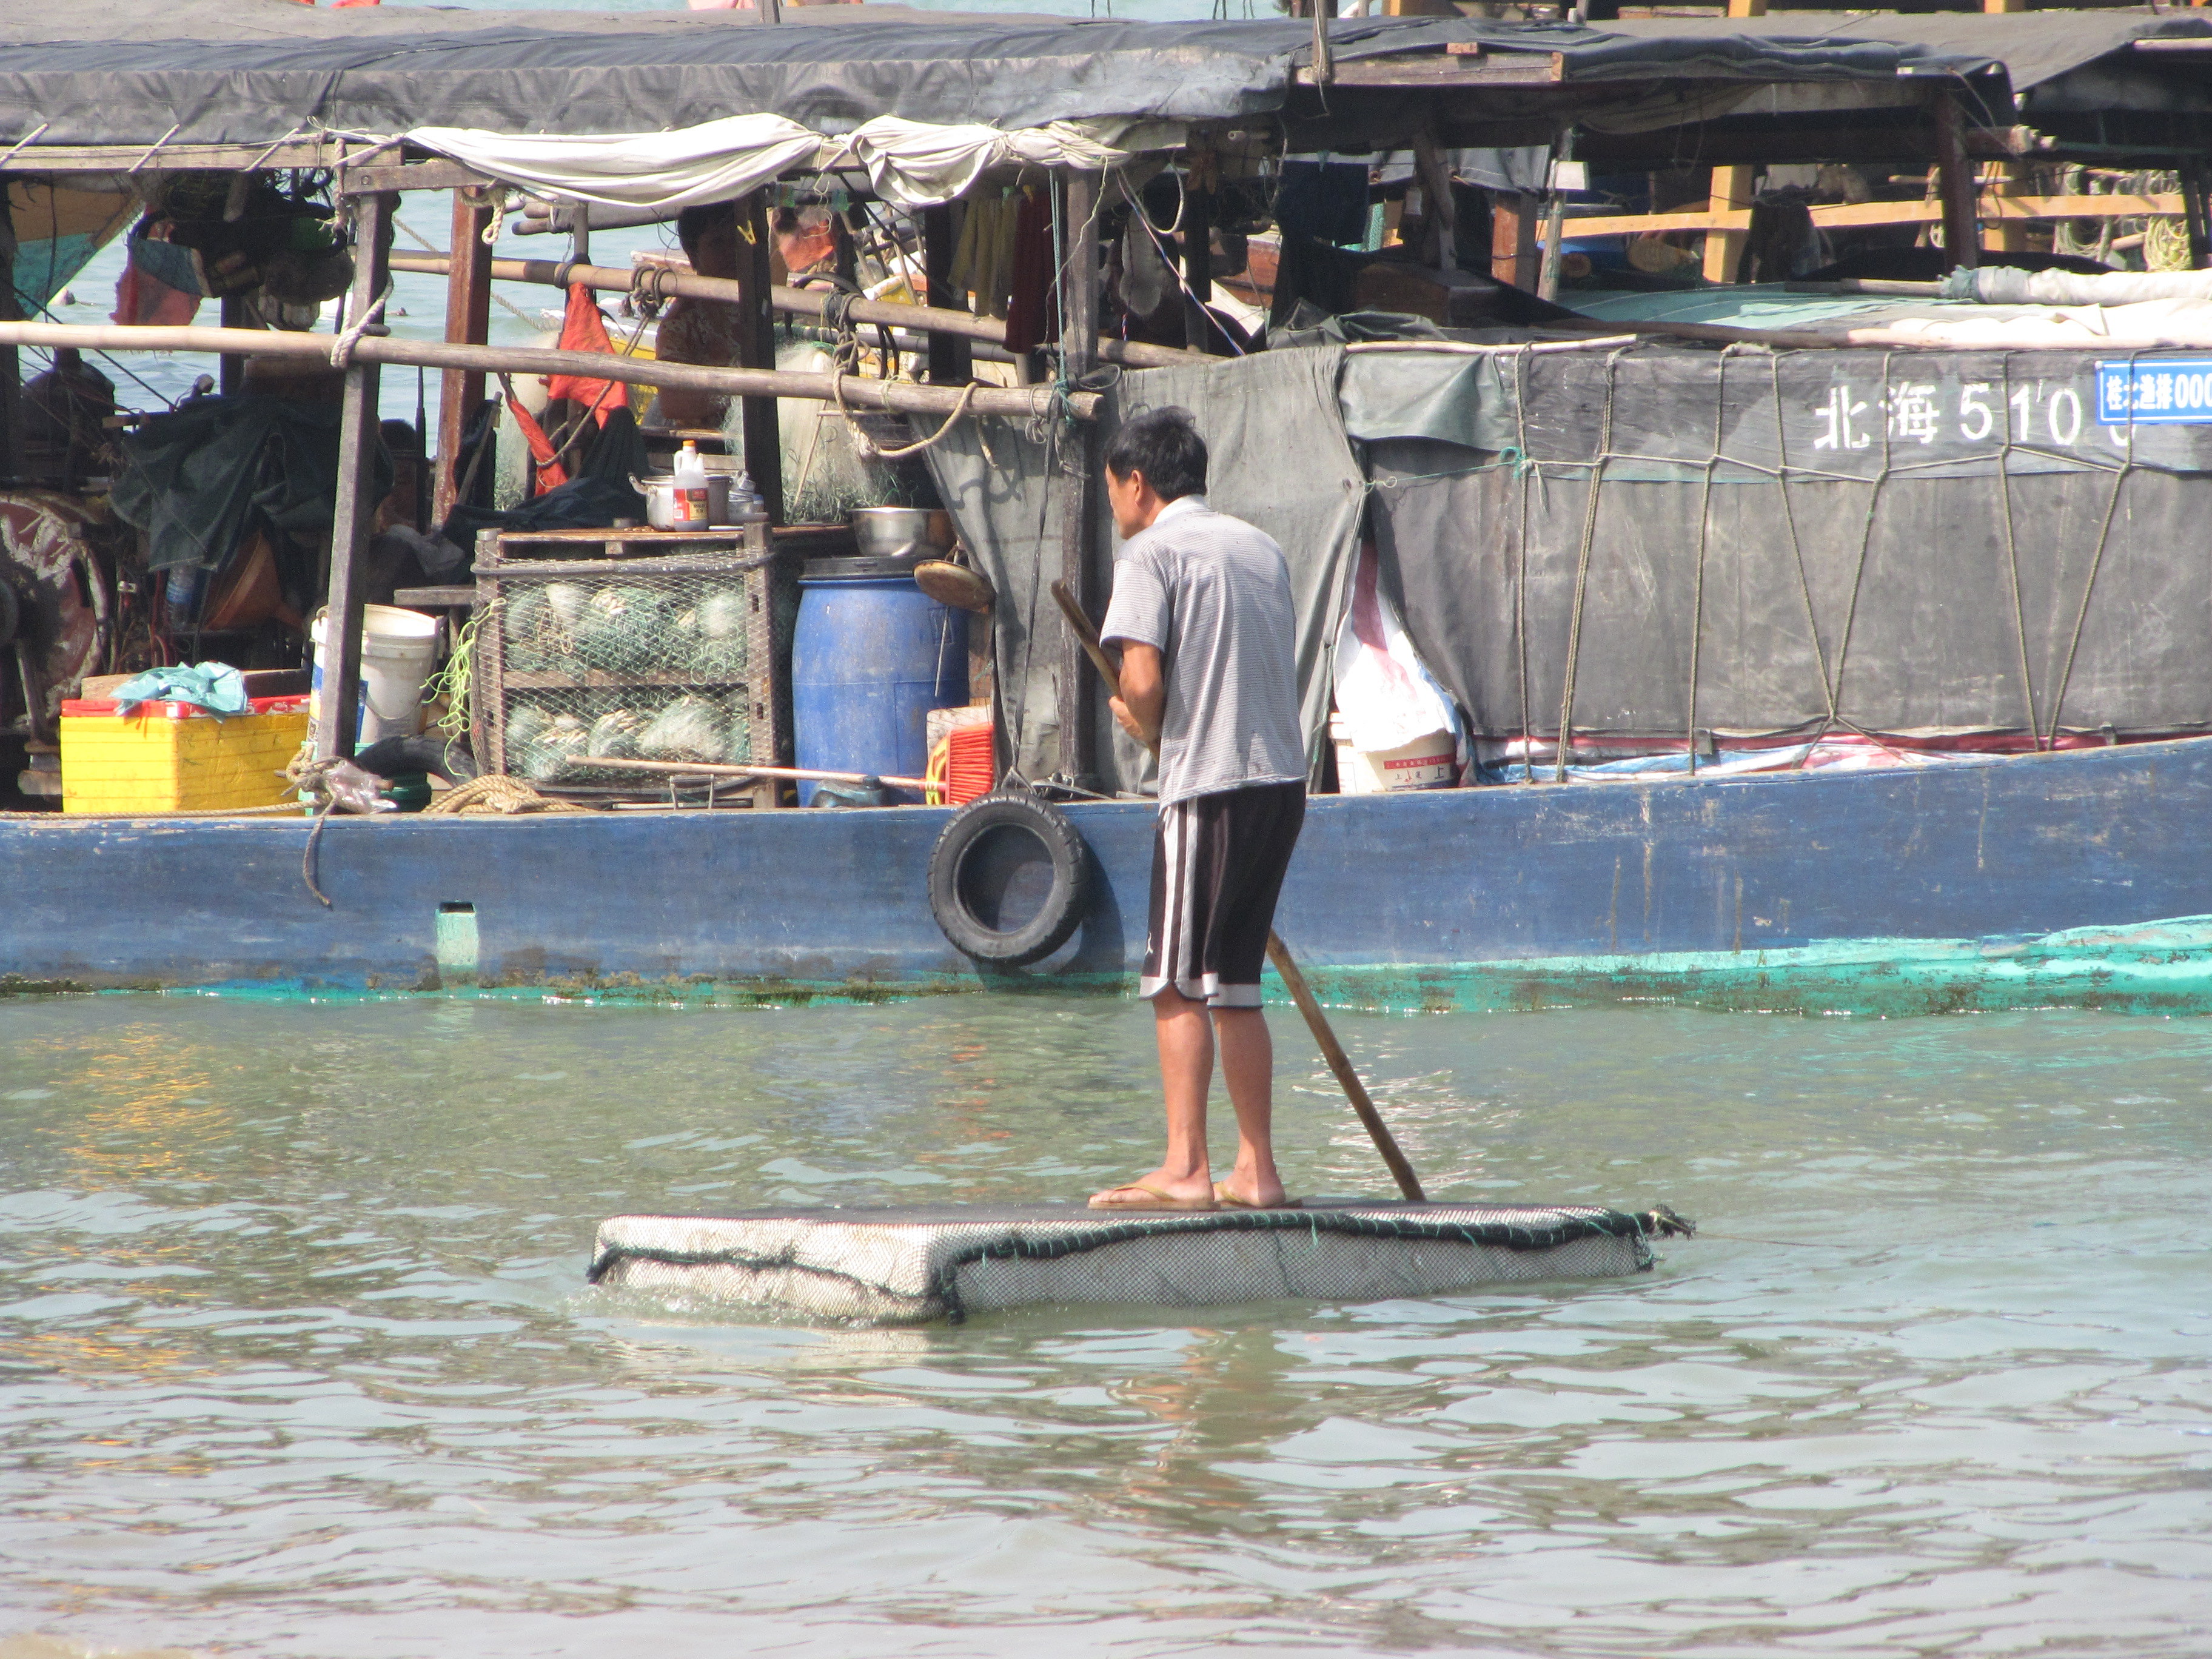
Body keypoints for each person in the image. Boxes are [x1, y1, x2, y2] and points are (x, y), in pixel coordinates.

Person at [1088, 407, 1309, 1213]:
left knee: (1176, 984)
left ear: (1137, 483)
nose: (1111, 504)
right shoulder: (1262, 547)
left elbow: (1142, 683)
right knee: (1235, 984)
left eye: (1112, 488)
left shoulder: (1150, 553)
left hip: (1207, 786)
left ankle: (1186, 1168)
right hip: (1280, 788)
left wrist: (1141, 721)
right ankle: (1258, 1172)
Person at [652, 205, 743, 432]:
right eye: (717, 243)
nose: (730, 251)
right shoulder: (681, 323)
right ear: (694, 256)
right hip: (710, 443)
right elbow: (674, 403)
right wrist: (740, 395)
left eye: (735, 239)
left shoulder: (752, 303)